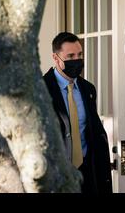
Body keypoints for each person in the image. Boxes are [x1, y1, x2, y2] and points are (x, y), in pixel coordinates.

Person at [43, 32, 112, 193]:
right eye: (70, 55)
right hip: (57, 177)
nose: (77, 60)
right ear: (56, 58)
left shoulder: (88, 89)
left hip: (87, 175)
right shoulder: (42, 89)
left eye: (80, 54)